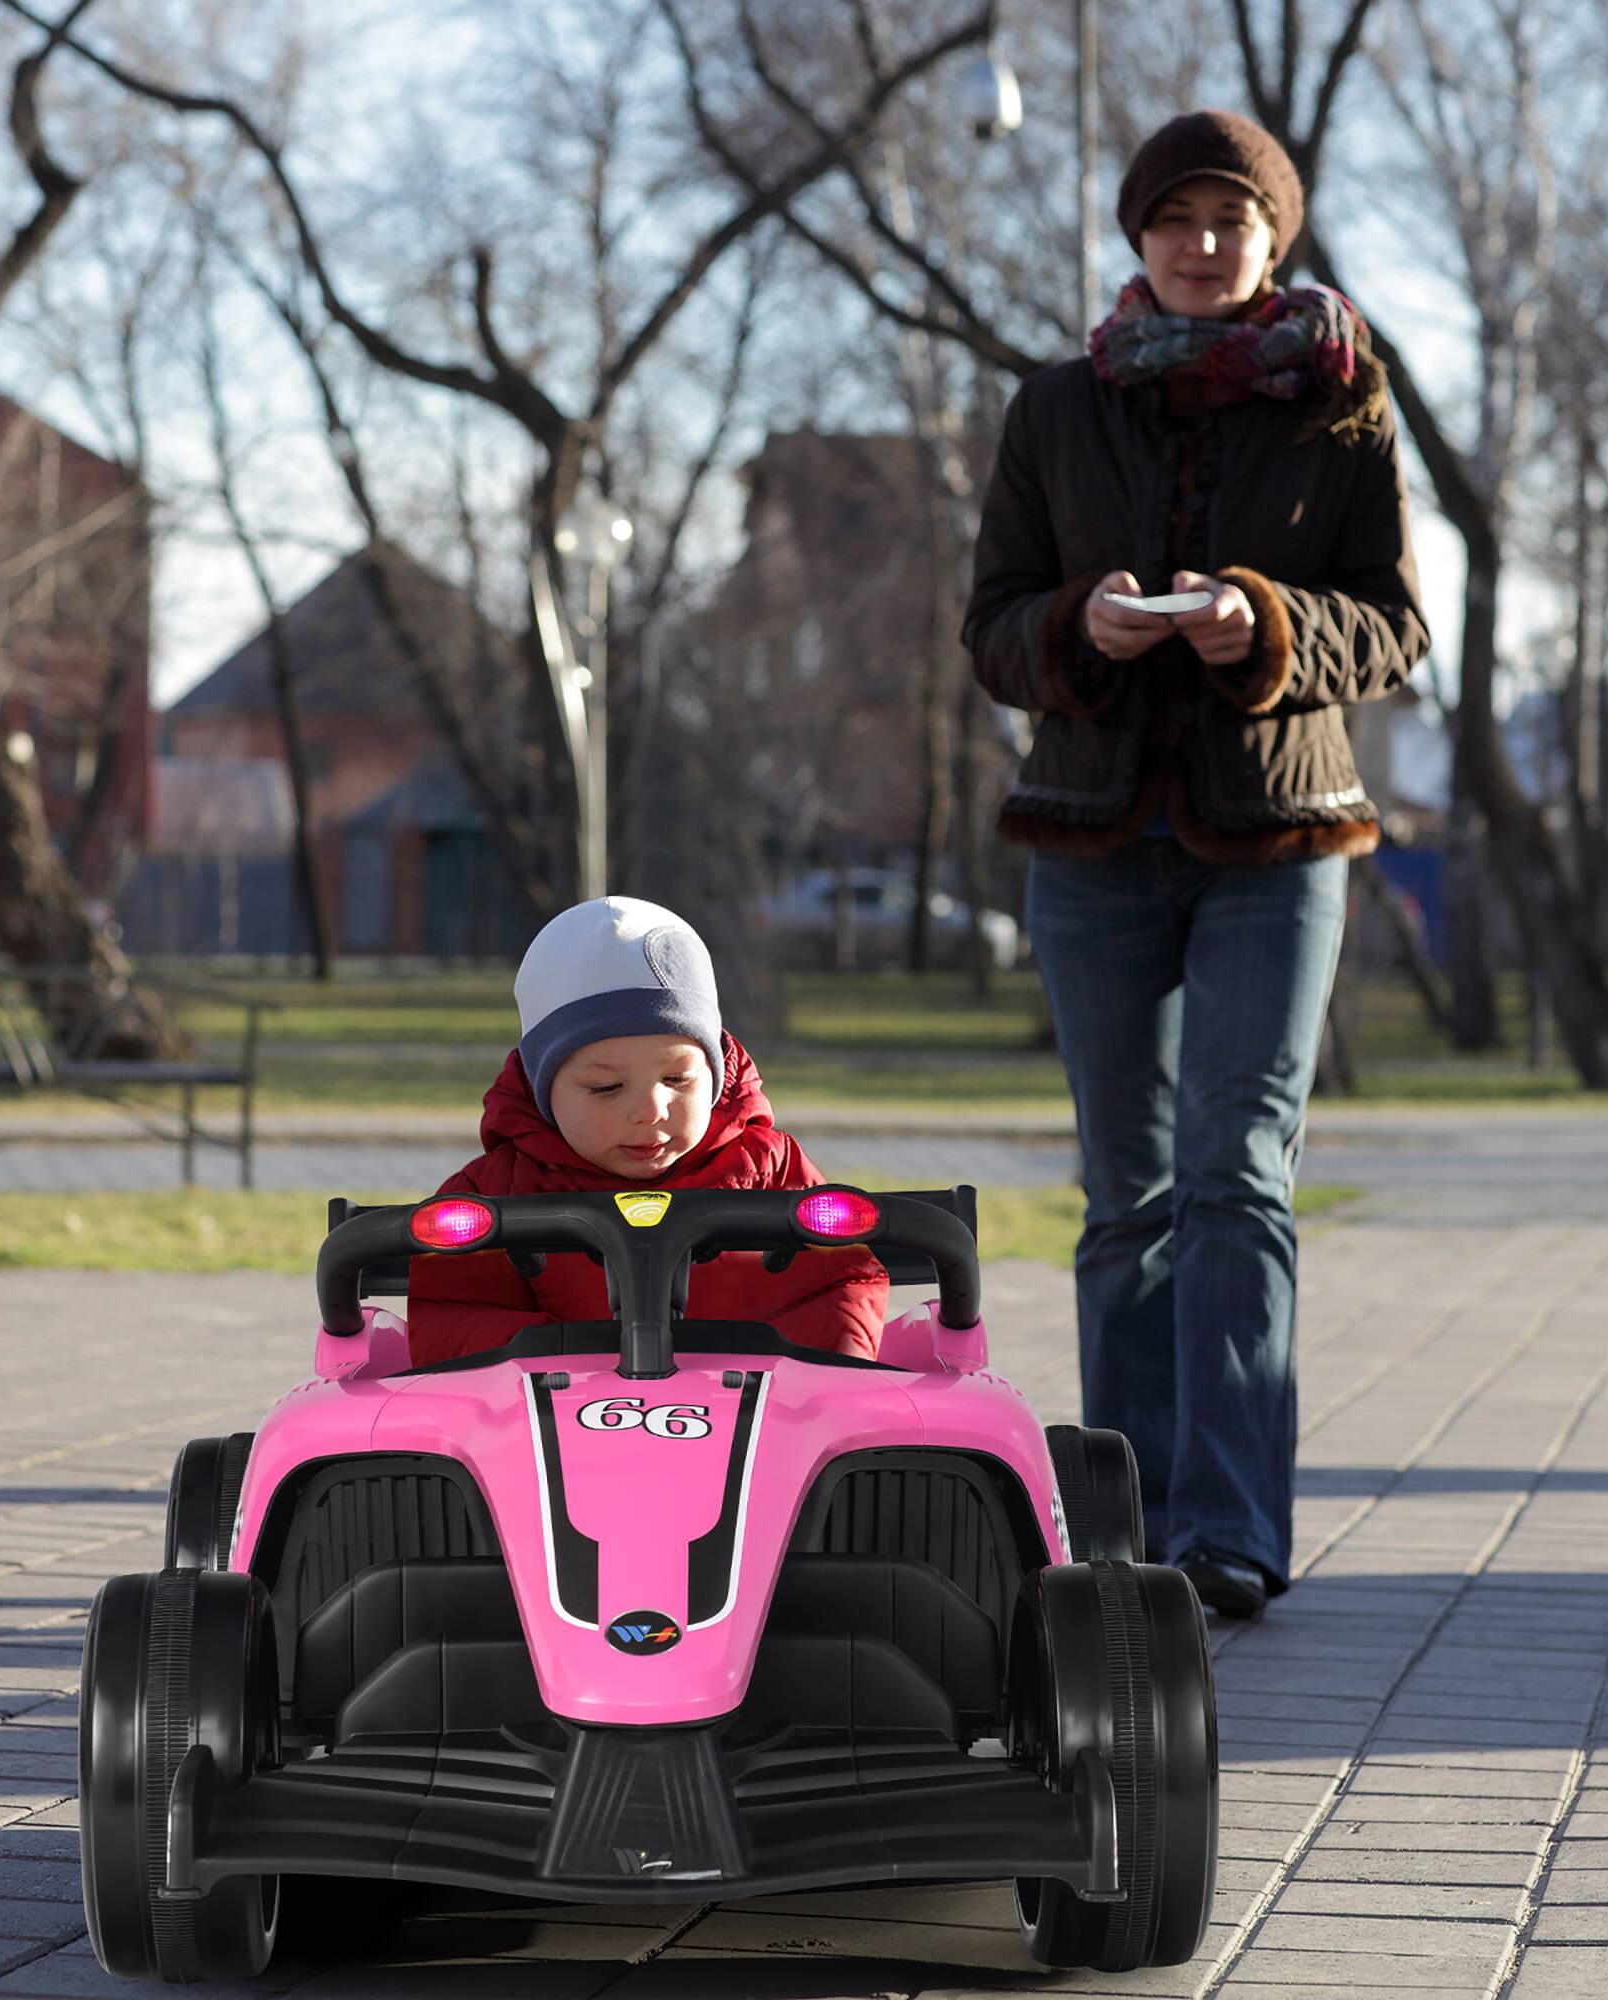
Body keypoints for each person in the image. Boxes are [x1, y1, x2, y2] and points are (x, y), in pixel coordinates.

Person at [963, 110, 1430, 1621]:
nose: (1203, 242)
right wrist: (1071, 633)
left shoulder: (1343, 405)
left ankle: (1230, 1533)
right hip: (1094, 845)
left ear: (1273, 236)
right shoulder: (1054, 409)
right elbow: (991, 628)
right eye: (1177, 218)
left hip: (1279, 840)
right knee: (1127, 1199)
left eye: (1233, 218)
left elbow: (1399, 626)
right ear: (1137, 236)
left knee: (1241, 1179)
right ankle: (1128, 1528)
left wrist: (1268, 625)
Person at [407, 896, 886, 1367]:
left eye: (677, 1079)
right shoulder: (497, 1192)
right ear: (541, 1089)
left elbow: (838, 1285)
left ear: (715, 1074)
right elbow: (456, 1318)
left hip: (755, 1428)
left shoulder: (768, 1169)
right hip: (555, 1430)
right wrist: (562, 1365)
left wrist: (824, 1378)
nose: (650, 1110)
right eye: (606, 1087)